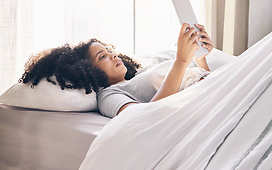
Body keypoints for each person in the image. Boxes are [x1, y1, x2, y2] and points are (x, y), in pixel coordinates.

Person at [20, 23, 213, 117]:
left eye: (110, 51)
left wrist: (201, 57)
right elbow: (142, 118)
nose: (114, 55)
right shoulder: (110, 95)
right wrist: (180, 61)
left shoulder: (140, 73)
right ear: (88, 70)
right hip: (208, 98)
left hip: (216, 84)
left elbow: (197, 75)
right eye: (102, 57)